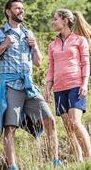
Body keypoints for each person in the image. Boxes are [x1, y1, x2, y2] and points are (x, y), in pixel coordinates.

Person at [0, 0, 63, 170]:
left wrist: (35, 47)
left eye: (22, 8)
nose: (21, 11)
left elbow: (39, 62)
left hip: (29, 85)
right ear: (8, 12)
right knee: (10, 127)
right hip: (10, 85)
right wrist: (4, 45)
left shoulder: (29, 33)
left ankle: (55, 162)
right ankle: (12, 167)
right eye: (17, 8)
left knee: (49, 120)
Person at [45, 9, 91, 162]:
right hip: (59, 89)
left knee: (75, 122)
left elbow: (86, 63)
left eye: (55, 19)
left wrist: (84, 84)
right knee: (68, 127)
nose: (53, 22)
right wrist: (47, 88)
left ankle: (89, 158)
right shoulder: (52, 45)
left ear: (64, 20)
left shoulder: (80, 40)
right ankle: (79, 161)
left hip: (76, 85)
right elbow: (51, 68)